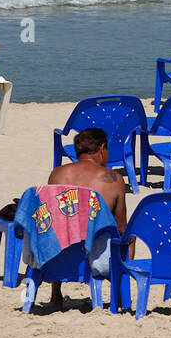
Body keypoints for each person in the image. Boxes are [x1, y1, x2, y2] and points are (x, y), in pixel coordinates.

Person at [46, 128, 129, 309]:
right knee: (129, 236)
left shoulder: (57, 174)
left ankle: (56, 292)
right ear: (101, 149)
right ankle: (121, 294)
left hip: (59, 257)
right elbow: (121, 227)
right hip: (96, 258)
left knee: (62, 226)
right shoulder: (113, 179)